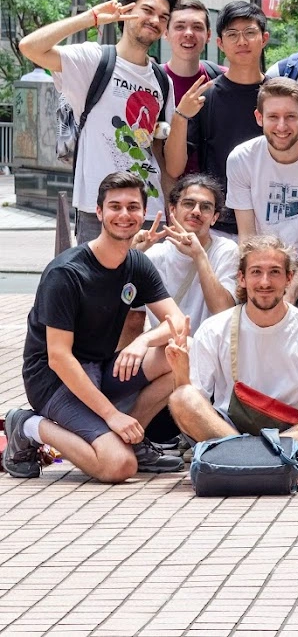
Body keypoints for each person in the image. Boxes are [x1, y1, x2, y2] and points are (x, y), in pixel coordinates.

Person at [5, 172, 186, 482]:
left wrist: (141, 343)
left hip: (100, 368)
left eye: (133, 207)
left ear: (143, 212)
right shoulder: (66, 273)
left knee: (182, 353)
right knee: (118, 466)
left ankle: (133, 438)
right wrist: (111, 414)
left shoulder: (136, 264)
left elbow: (178, 323)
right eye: (115, 206)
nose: (124, 215)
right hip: (55, 381)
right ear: (99, 212)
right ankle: (27, 426)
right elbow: (58, 358)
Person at [164, 234, 298, 485]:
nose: (265, 282)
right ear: (242, 278)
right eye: (256, 272)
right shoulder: (214, 328)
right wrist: (180, 373)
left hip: (289, 431)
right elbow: (196, 401)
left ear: (289, 278)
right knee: (181, 396)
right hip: (227, 430)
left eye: (275, 272)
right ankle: (283, 465)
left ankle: (237, 463)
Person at [19, 0, 181, 238]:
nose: (155, 20)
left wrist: (169, 208)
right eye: (148, 10)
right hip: (99, 210)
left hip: (150, 211)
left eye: (163, 17)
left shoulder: (162, 80)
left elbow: (158, 152)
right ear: (126, 9)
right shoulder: (93, 60)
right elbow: (30, 47)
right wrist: (90, 18)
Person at [226, 77, 298, 312]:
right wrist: (258, 281)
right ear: (259, 118)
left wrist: (288, 296)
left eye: (290, 116)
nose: (282, 126)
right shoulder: (242, 159)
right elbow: (247, 235)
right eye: (273, 117)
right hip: (264, 259)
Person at [165, 0, 269, 236]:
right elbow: (174, 167)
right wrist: (181, 116)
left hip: (270, 221)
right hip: (217, 226)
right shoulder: (206, 96)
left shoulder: (276, 95)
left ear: (264, 38)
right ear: (220, 43)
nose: (241, 41)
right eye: (232, 35)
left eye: (250, 33)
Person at [132, 173, 239, 334]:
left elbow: (223, 311)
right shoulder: (154, 255)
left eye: (205, 207)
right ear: (172, 210)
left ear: (214, 218)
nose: (196, 212)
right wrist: (131, 257)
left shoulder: (226, 251)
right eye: (189, 204)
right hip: (165, 350)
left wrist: (199, 256)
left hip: (209, 351)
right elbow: (128, 313)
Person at [161, 0, 222, 174]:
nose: (188, 33)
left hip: (213, 193)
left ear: (209, 35)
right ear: (166, 33)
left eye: (197, 27)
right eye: (179, 26)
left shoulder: (220, 78)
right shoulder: (151, 81)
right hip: (162, 192)